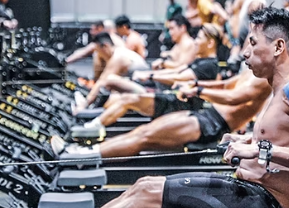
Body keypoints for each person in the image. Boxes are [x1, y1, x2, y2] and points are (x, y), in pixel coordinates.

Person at [2, 7, 289, 208]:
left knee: (148, 194)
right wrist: (246, 141)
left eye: (252, 43)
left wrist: (260, 150)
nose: (245, 52)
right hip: (247, 193)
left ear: (278, 47)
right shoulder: (280, 89)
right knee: (144, 186)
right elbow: (282, 140)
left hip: (260, 207)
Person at [80, 23, 222, 129]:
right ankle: (93, 120)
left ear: (210, 43)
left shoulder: (209, 65)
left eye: (199, 38)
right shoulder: (200, 61)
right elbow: (176, 71)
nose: (196, 41)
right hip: (171, 98)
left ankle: (91, 129)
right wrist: (151, 74)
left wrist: (150, 76)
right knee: (119, 97)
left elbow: (179, 78)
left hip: (180, 105)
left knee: (126, 99)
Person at [77, 32, 150, 109]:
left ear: (105, 46)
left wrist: (83, 105)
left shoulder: (118, 57)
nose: (99, 55)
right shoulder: (119, 52)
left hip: (145, 91)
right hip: (139, 87)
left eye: (98, 51)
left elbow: (101, 82)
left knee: (110, 81)